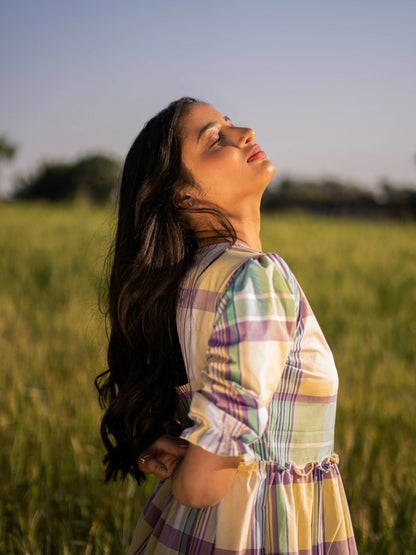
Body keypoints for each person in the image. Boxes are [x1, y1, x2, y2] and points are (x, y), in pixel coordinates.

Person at [96, 97, 358, 554]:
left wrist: (190, 449)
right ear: (184, 195)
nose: (245, 134)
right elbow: (201, 488)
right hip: (258, 530)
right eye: (215, 138)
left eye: (231, 125)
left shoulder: (194, 277)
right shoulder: (254, 278)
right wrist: (191, 470)